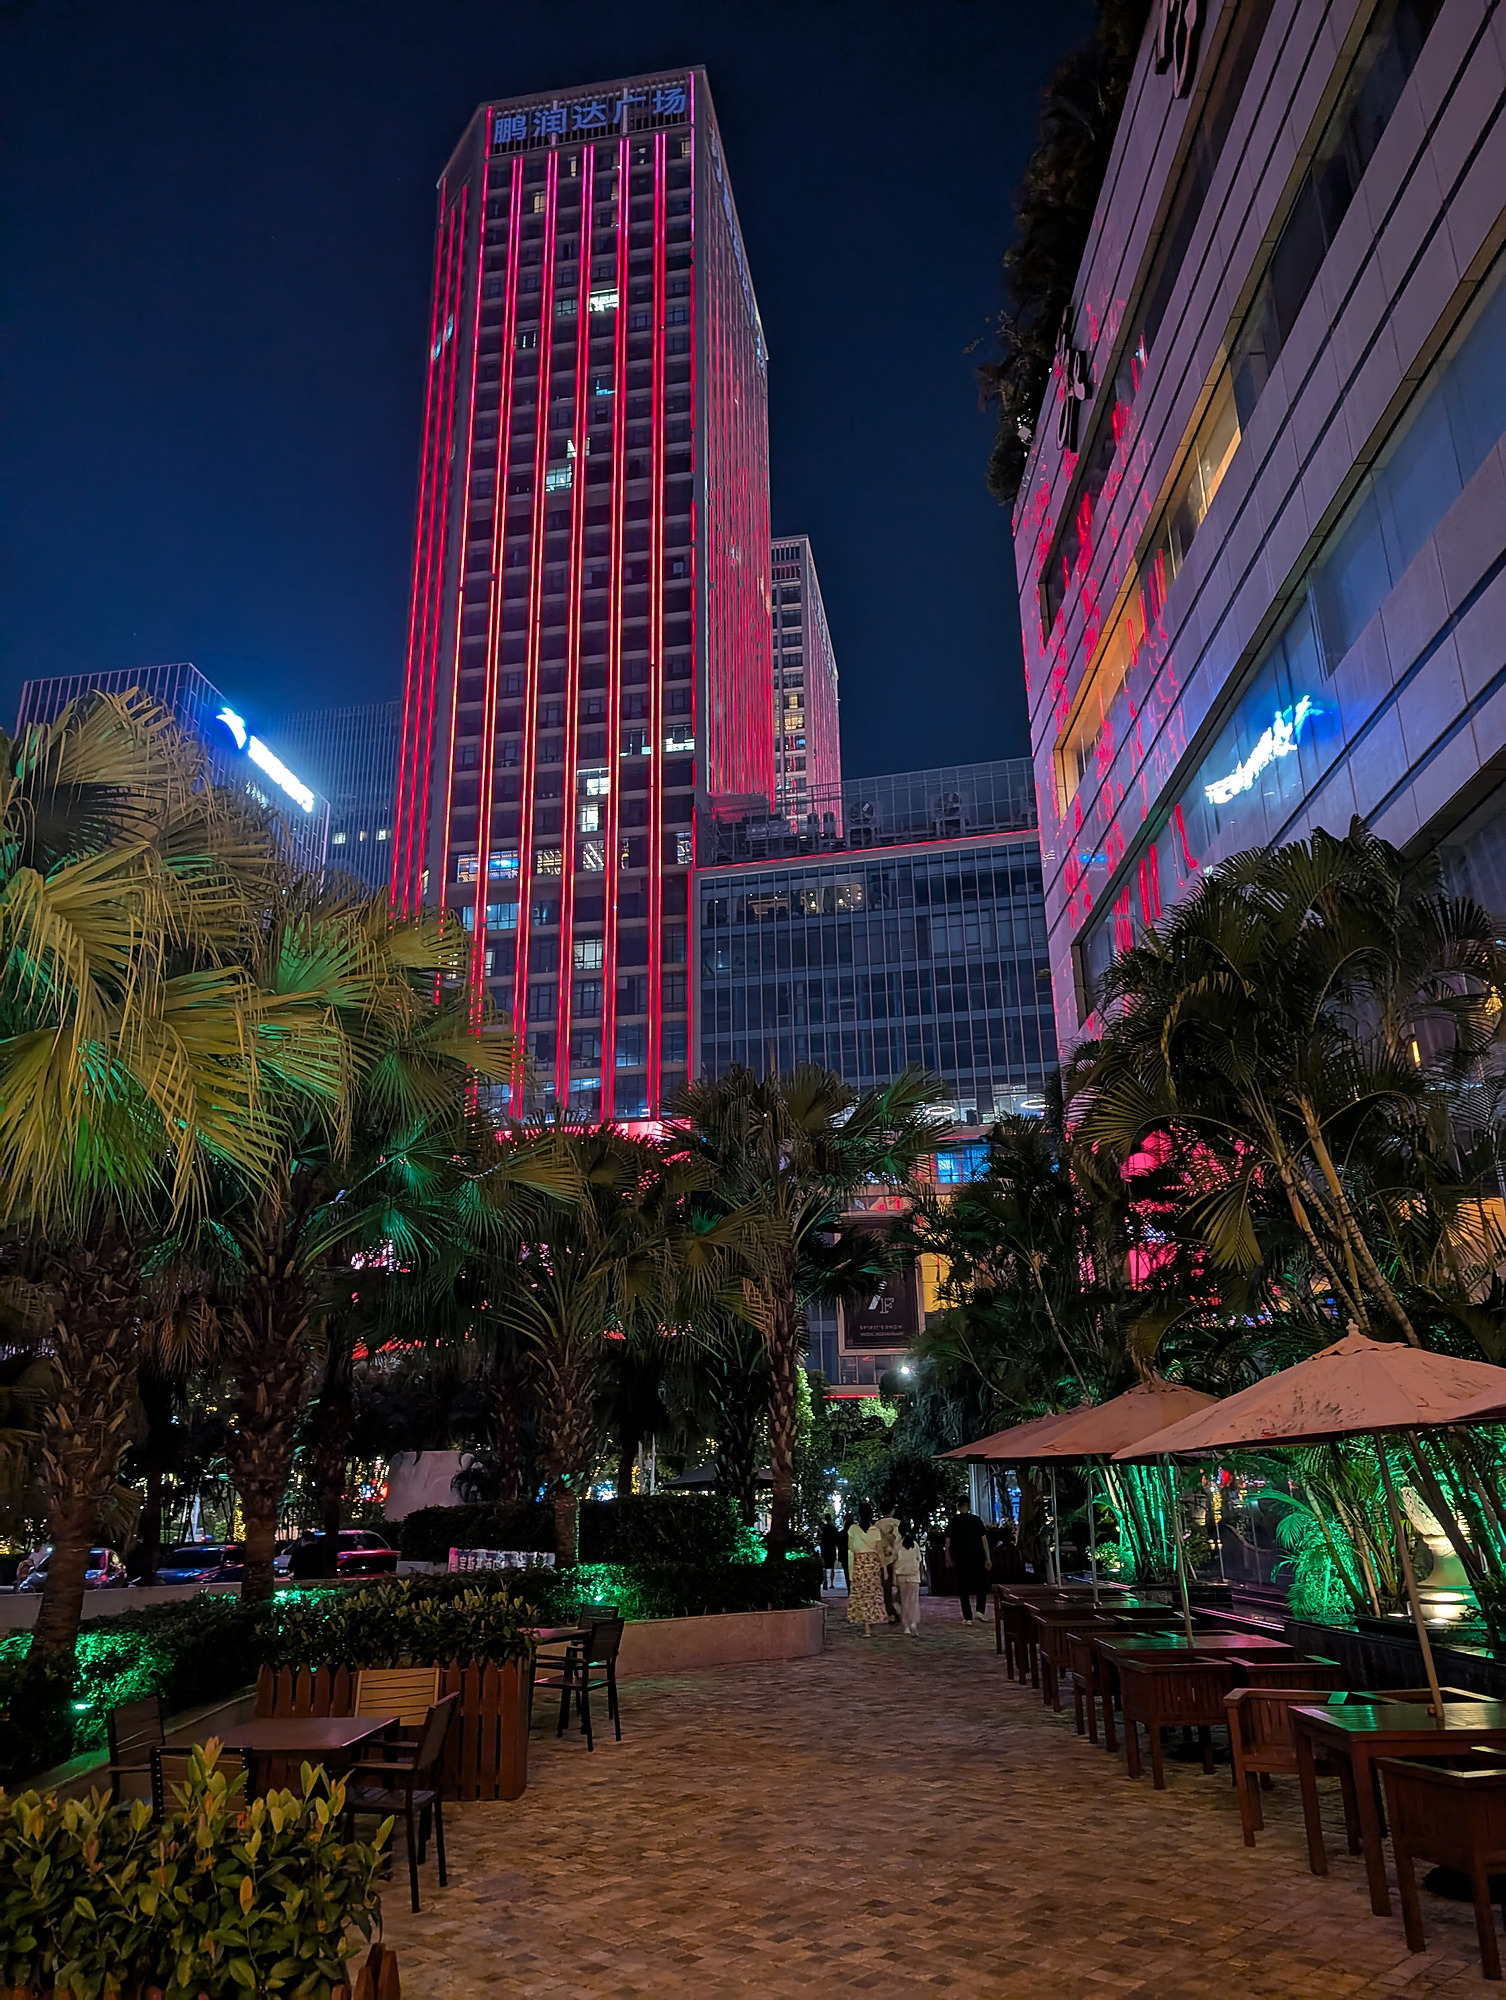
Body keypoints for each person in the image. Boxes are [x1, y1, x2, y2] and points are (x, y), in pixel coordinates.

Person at [943, 1500, 993, 1625]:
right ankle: (980, 1611)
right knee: (980, 1585)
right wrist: (988, 1558)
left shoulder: (954, 1521)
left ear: (958, 1506)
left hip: (961, 1557)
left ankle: (968, 1617)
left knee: (963, 1588)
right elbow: (984, 1540)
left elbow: (948, 1541)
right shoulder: (976, 1520)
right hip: (977, 1556)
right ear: (968, 1506)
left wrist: (948, 1557)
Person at [845, 1501, 887, 1637]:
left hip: (859, 1563)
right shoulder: (875, 1531)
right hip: (872, 1563)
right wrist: (885, 1568)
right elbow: (880, 1551)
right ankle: (872, 1619)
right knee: (872, 1593)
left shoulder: (853, 1529)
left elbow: (850, 1547)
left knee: (861, 1593)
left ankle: (866, 1626)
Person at [894, 1524, 925, 1635]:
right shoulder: (915, 1545)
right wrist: (922, 1574)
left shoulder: (897, 1545)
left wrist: (894, 1577)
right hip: (914, 1576)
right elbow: (919, 1561)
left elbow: (894, 1563)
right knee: (914, 1600)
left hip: (901, 1575)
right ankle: (914, 1622)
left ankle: (906, 1626)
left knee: (904, 1600)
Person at [875, 1510, 902, 1624]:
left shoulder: (877, 1525)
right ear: (893, 1510)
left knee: (887, 1588)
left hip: (884, 1560)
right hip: (899, 1558)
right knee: (901, 1585)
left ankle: (890, 1611)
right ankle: (899, 1608)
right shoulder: (897, 1523)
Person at [818, 1513, 840, 1590]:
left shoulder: (823, 1528)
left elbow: (820, 1537)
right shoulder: (833, 1528)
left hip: (825, 1549)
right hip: (832, 1548)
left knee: (825, 1566)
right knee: (832, 1567)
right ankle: (832, 1583)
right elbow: (837, 1538)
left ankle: (825, 1581)